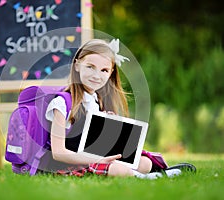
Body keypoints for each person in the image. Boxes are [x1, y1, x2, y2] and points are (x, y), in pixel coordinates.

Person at [44, 38, 181, 179]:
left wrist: (108, 129)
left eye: (104, 70)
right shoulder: (62, 103)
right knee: (118, 170)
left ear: (111, 73)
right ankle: (149, 177)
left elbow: (94, 144)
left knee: (144, 163)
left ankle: (147, 173)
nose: (97, 75)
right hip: (73, 162)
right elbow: (58, 152)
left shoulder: (98, 101)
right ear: (77, 65)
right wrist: (97, 160)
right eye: (90, 67)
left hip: (98, 158)